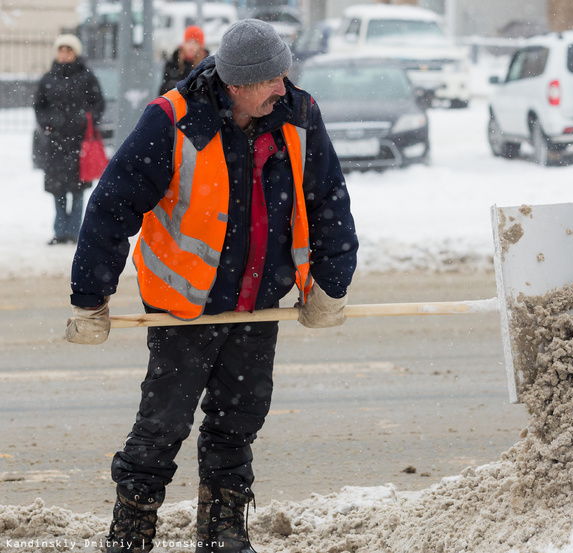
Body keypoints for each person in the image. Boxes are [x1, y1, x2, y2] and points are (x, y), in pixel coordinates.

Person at [65, 19, 358, 553]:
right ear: (237, 84)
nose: (282, 87)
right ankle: (131, 531)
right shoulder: (173, 121)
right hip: (184, 309)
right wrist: (91, 296)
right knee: (162, 425)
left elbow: (328, 200)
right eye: (272, 79)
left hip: (257, 306)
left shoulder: (298, 114)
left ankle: (223, 531)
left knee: (238, 421)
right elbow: (112, 206)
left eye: (284, 76)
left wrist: (330, 285)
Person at [33, 34, 105, 245]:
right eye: (61, 50)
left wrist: (86, 118)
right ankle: (60, 231)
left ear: (75, 53)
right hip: (55, 142)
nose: (64, 54)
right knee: (58, 189)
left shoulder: (87, 77)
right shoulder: (48, 78)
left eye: (68, 50)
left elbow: (98, 103)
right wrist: (48, 123)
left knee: (78, 188)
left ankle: (74, 231)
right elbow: (39, 106)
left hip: (78, 141)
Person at [158, 25, 209, 95]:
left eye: (195, 42)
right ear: (184, 43)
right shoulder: (173, 62)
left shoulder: (206, 65)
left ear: (200, 46)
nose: (191, 46)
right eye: (189, 42)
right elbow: (164, 90)